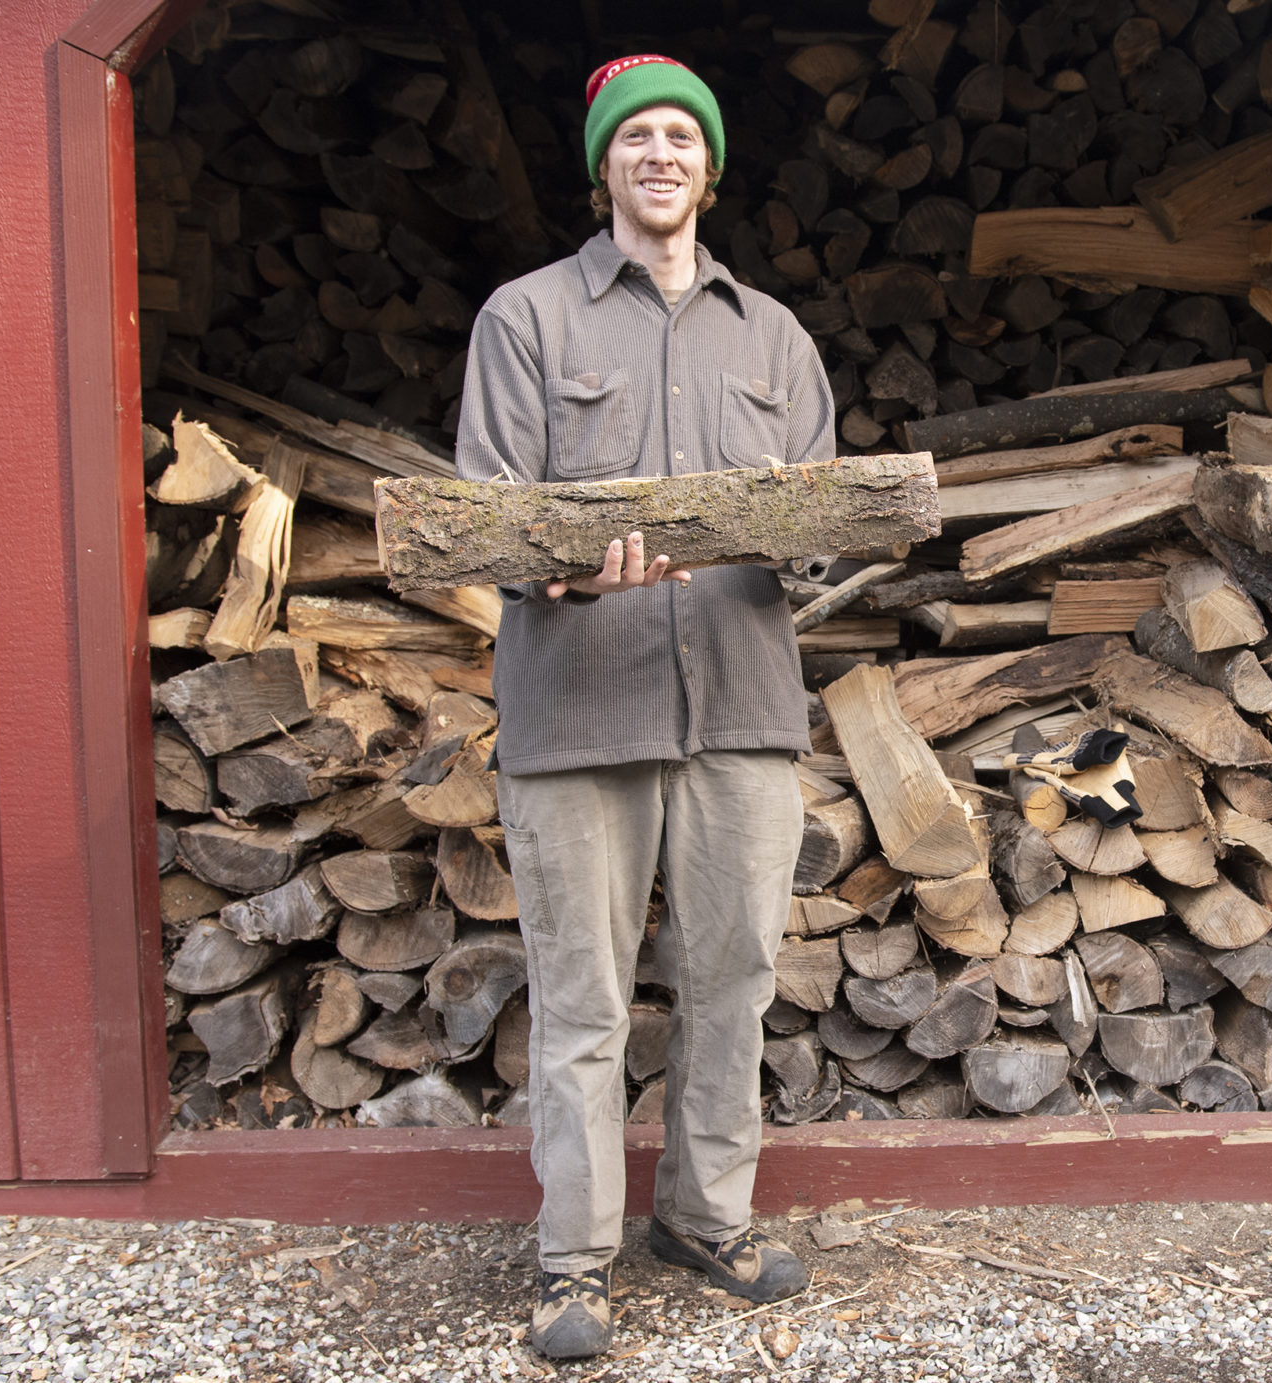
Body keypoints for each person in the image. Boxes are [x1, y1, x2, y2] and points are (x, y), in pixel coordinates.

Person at [454, 53, 833, 1360]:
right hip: (576, 715)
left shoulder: (772, 339)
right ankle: (576, 1261)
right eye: (638, 138)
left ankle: (707, 1218)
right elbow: (488, 518)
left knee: (732, 977)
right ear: (604, 165)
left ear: (710, 169)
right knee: (583, 1001)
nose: (661, 155)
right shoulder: (527, 321)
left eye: (683, 136)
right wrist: (561, 561)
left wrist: (808, 536)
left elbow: (823, 524)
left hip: (740, 712)